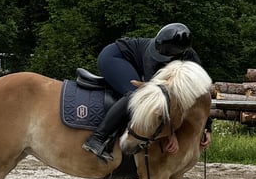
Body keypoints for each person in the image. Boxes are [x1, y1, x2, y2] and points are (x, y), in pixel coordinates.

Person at [82, 22, 212, 163]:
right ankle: (97, 138)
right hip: (114, 57)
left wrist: (207, 127)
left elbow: (201, 94)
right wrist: (171, 134)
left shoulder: (191, 60)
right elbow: (155, 99)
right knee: (135, 95)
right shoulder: (151, 56)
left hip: (129, 62)